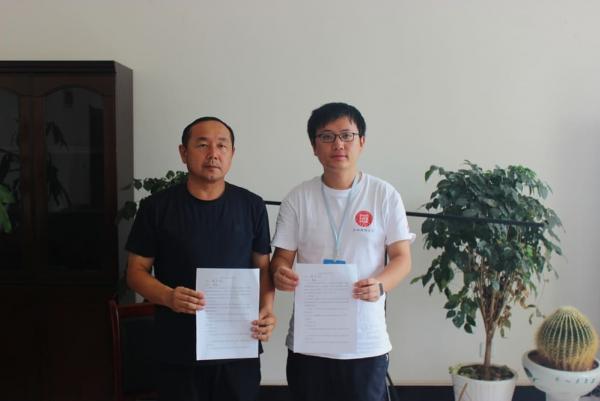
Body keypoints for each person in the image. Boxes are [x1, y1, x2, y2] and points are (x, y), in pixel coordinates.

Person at [270, 102, 414, 401]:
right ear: (314, 147)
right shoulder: (298, 198)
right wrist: (280, 272)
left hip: (365, 343)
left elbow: (402, 258)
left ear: (362, 142)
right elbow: (281, 258)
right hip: (310, 341)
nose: (338, 144)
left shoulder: (384, 195)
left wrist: (380, 284)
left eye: (347, 135)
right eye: (327, 136)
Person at [126, 116, 276, 401]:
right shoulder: (156, 207)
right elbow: (135, 272)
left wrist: (267, 309)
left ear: (232, 154)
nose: (213, 154)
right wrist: (169, 296)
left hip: (237, 346)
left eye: (222, 145)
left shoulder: (252, 206)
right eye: (202, 145)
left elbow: (263, 269)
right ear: (183, 153)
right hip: (178, 348)